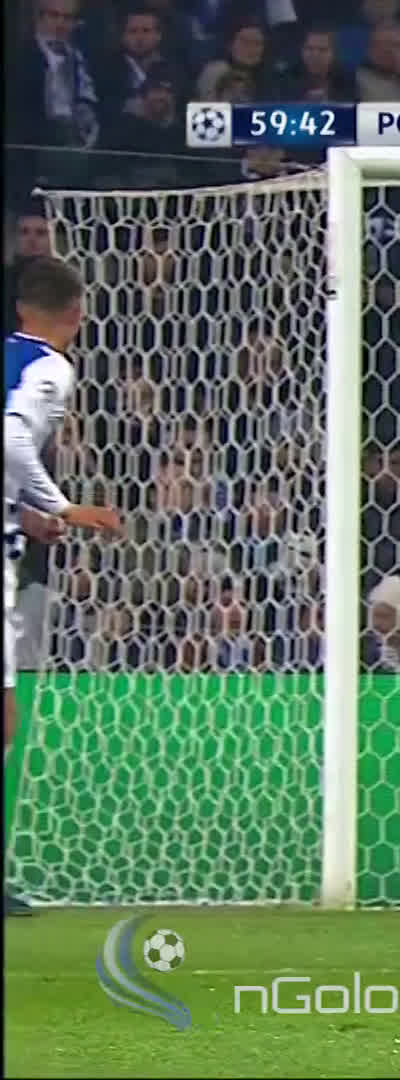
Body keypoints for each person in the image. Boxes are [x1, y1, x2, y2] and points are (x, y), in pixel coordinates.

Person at [4, 257, 123, 917]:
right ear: (76, 315)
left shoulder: (9, 358)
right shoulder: (51, 368)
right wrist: (61, 507)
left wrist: (24, 513)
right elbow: (10, 436)